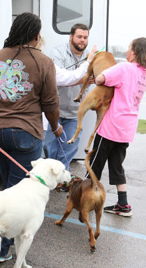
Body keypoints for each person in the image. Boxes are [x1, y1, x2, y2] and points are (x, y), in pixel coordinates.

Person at [0, 13, 61, 262]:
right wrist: (56, 126)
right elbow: (50, 104)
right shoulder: (44, 61)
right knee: (16, 196)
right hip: (27, 133)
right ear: (37, 35)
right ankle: (3, 249)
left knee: (7, 187)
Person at [89, 37, 146, 217]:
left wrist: (96, 75)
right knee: (117, 165)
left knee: (95, 163)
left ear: (134, 52)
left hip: (112, 125)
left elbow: (101, 79)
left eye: (128, 48)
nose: (126, 51)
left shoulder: (125, 68)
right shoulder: (143, 74)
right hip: (128, 128)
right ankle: (123, 204)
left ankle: (85, 198)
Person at [45, 23, 94, 170]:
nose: (82, 40)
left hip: (74, 113)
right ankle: (49, 177)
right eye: (79, 37)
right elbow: (61, 79)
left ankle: (62, 180)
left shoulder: (90, 59)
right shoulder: (57, 53)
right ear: (71, 37)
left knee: (68, 150)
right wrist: (82, 78)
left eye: (85, 37)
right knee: (49, 148)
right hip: (55, 110)